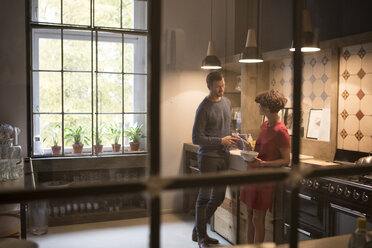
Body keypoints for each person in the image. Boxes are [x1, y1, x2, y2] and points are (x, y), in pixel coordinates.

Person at [192, 71, 239, 248]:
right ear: (209, 86)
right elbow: (196, 138)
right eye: (218, 86)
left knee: (218, 197)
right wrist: (220, 140)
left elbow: (227, 127)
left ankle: (198, 230)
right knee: (204, 197)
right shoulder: (203, 108)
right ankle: (202, 237)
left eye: (223, 85)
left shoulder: (227, 103)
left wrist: (233, 136)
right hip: (208, 158)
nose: (222, 89)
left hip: (224, 157)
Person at [239, 89, 290, 244]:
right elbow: (259, 151)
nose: (259, 108)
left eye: (260, 105)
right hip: (252, 175)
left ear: (267, 108)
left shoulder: (281, 131)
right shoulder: (265, 124)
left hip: (265, 180)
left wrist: (265, 164)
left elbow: (286, 160)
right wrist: (249, 149)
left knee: (257, 218)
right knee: (248, 214)